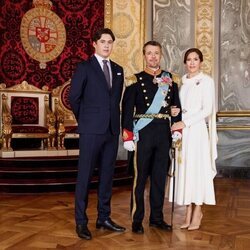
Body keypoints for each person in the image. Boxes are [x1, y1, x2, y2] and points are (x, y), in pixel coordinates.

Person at [69, 28, 125, 240]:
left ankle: (104, 217)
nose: (107, 45)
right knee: (84, 177)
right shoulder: (85, 67)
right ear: (94, 43)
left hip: (111, 130)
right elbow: (74, 97)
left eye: (110, 42)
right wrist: (85, 120)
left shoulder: (118, 70)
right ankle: (81, 222)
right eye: (103, 41)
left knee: (107, 177)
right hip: (91, 130)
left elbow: (115, 100)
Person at [122, 40, 181, 234]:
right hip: (143, 134)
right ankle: (137, 219)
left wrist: (176, 130)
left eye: (156, 53)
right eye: (149, 53)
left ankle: (157, 218)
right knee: (140, 179)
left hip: (163, 133)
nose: (153, 57)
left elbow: (176, 107)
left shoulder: (171, 80)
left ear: (161, 55)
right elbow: (127, 110)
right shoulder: (134, 80)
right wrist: (128, 136)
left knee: (158, 178)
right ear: (144, 55)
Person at [170, 48, 217, 230]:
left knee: (197, 170)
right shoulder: (182, 82)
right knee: (186, 170)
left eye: (195, 59)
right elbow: (182, 107)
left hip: (196, 132)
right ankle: (188, 209)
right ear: (185, 62)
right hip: (184, 133)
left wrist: (185, 122)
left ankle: (198, 210)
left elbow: (207, 110)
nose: (191, 63)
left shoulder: (207, 81)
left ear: (201, 61)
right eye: (188, 60)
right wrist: (175, 112)